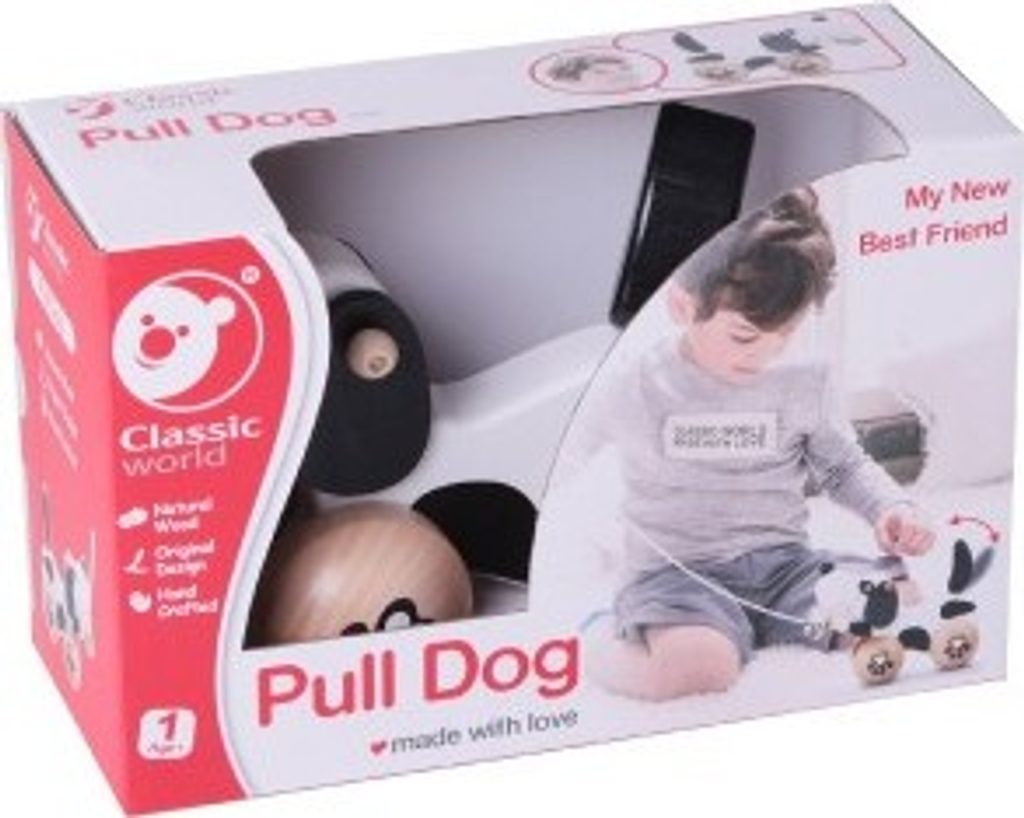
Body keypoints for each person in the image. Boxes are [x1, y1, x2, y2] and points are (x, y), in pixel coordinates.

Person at [576, 187, 935, 701]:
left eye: (785, 334)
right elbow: (567, 457)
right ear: (683, 306)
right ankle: (595, 636)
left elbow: (843, 466)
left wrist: (892, 508)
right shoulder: (634, 383)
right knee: (697, 671)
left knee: (896, 600)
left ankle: (770, 624)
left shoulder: (805, 378)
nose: (766, 354)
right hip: (680, 578)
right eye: (744, 336)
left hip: (785, 568)